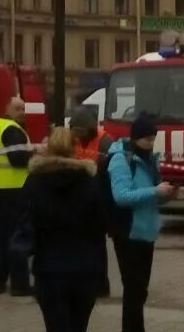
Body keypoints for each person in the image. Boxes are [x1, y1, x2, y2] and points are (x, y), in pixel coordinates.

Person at [18, 126, 107, 332]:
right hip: (85, 269)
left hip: (49, 270)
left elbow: (24, 221)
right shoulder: (89, 182)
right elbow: (101, 225)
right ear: (75, 147)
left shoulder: (34, 183)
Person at [107, 115, 174, 332]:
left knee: (140, 290)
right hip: (128, 230)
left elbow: (153, 193)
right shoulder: (120, 159)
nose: (150, 143)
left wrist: (166, 194)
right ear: (135, 137)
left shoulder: (150, 159)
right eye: (146, 139)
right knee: (134, 289)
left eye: (153, 139)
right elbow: (121, 195)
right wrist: (155, 191)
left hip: (147, 230)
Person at [0, 96, 34, 296]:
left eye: (23, 108)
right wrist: (36, 155)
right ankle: (19, 285)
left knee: (1, 239)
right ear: (7, 108)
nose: (22, 112)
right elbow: (18, 160)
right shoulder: (13, 130)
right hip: (15, 190)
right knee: (17, 238)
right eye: (17, 108)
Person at [69, 103, 114, 298]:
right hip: (77, 198)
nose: (77, 134)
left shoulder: (105, 142)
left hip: (98, 198)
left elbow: (108, 172)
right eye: (75, 130)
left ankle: (101, 284)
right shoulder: (71, 140)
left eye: (80, 130)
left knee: (97, 244)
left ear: (90, 128)